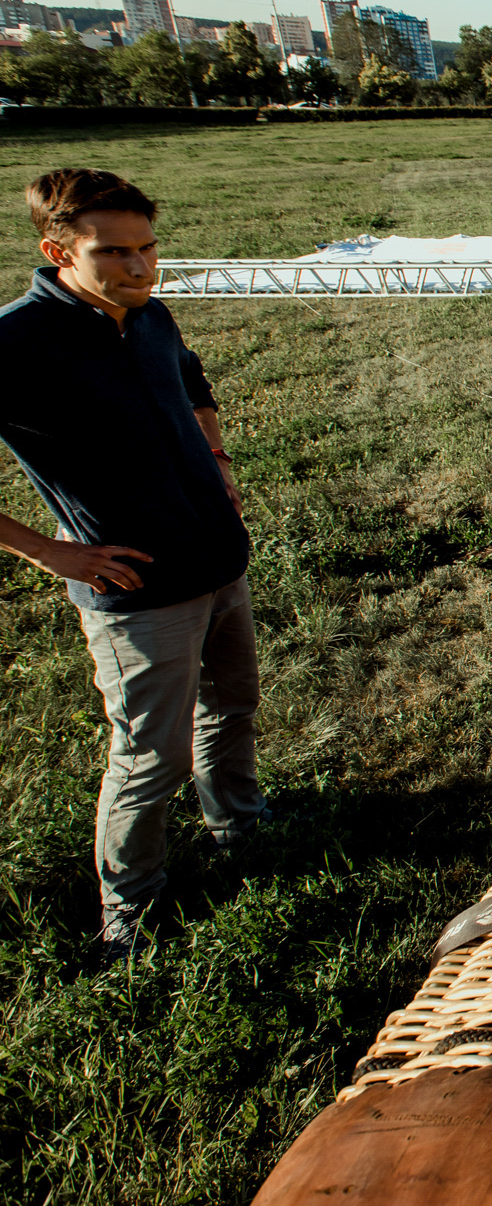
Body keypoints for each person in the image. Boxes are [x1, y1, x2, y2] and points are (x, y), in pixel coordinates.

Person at [0, 169, 264, 959]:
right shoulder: (17, 340)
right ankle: (132, 907)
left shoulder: (148, 316)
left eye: (148, 247)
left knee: (234, 706)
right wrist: (51, 550)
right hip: (139, 592)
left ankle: (241, 827)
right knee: (154, 755)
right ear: (57, 251)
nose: (141, 266)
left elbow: (193, 384)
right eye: (114, 253)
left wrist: (213, 453)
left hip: (219, 561)